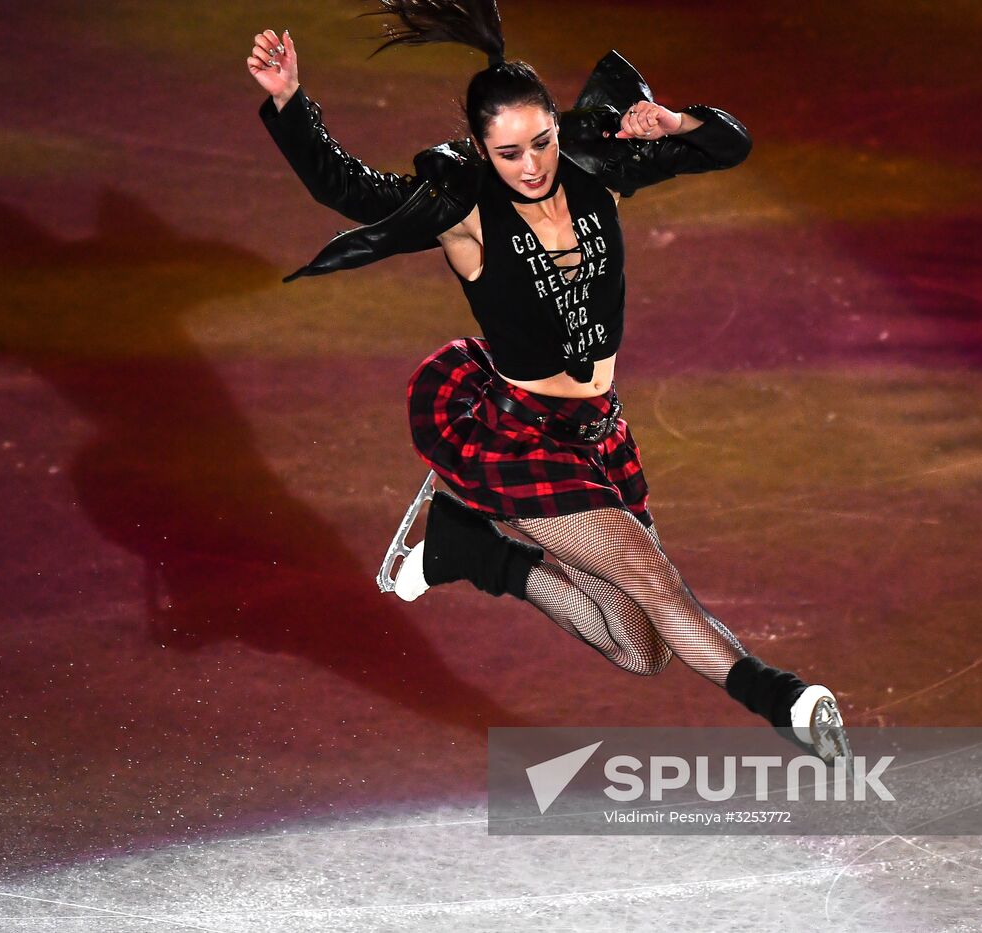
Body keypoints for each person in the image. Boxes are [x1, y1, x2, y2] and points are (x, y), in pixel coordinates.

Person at [247, 1, 850, 766]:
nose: (530, 166)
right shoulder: (463, 213)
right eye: (507, 153)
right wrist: (289, 102)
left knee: (642, 649)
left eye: (541, 142)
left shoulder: (597, 175)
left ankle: (472, 551)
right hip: (520, 435)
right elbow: (346, 189)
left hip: (601, 432)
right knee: (656, 581)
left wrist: (671, 123)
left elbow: (730, 146)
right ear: (478, 149)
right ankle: (786, 699)